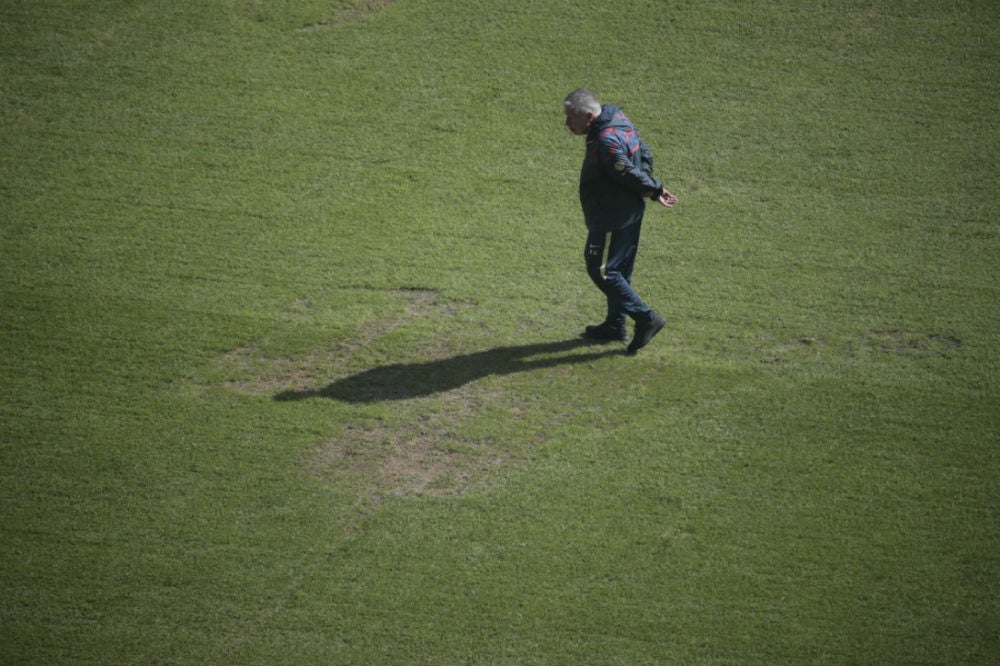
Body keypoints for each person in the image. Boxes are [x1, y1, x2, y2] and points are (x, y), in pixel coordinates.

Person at [563, 88, 678, 355]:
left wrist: (653, 188)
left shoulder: (605, 141)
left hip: (611, 216)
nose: (567, 123)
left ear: (589, 118)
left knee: (601, 270)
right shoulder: (618, 118)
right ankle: (615, 325)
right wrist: (646, 186)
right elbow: (644, 151)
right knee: (620, 269)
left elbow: (625, 170)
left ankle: (646, 318)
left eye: (571, 118)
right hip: (630, 212)